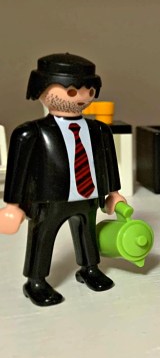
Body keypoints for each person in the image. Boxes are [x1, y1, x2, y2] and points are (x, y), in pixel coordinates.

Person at [0, 53, 126, 306]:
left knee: (87, 233)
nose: (82, 97)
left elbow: (108, 163)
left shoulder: (99, 130)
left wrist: (113, 192)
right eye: (71, 91)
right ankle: (36, 280)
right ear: (42, 89)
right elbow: (18, 170)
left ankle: (89, 268)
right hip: (50, 198)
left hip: (88, 195)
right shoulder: (31, 132)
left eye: (89, 91)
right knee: (42, 236)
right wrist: (13, 205)